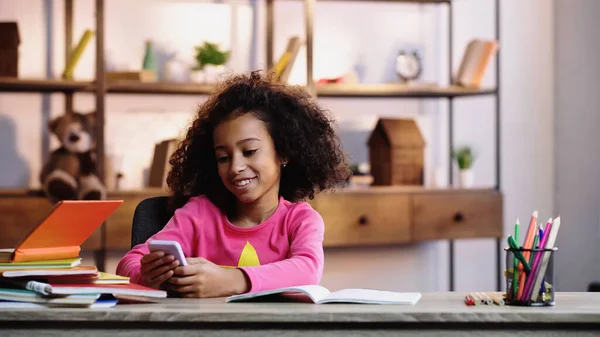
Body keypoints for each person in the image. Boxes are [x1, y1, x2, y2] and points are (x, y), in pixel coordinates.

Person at [116, 71, 350, 298]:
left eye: (249, 151)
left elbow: (307, 270)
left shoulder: (300, 220)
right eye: (223, 157)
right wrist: (145, 275)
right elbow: (129, 262)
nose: (236, 166)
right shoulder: (199, 214)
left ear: (284, 153)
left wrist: (231, 280)